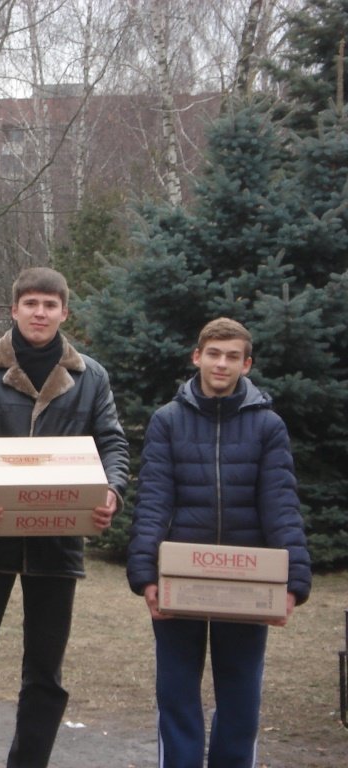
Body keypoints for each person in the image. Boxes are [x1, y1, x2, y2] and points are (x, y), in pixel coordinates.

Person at [0, 266, 130, 768]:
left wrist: (112, 490)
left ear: (64, 313)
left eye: (50, 305)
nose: (40, 313)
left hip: (58, 542)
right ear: (14, 309)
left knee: (45, 675)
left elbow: (113, 443)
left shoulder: (91, 377)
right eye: (31, 304)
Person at [126, 317, 311, 768]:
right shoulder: (167, 421)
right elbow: (153, 501)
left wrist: (293, 583)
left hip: (248, 582)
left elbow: (281, 505)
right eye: (213, 354)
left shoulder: (268, 426)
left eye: (232, 356)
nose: (221, 364)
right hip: (179, 578)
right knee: (176, 693)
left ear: (246, 365)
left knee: (241, 697)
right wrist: (146, 576)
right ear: (197, 357)